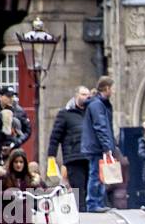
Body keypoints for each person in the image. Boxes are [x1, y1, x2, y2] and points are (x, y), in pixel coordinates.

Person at [46, 85, 91, 209]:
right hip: (73, 157)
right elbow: (55, 136)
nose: (86, 97)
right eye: (83, 94)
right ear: (76, 96)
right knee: (78, 188)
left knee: (89, 187)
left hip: (90, 155)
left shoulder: (91, 113)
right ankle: (81, 214)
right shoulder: (65, 114)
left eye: (88, 95)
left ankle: (87, 212)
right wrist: (51, 156)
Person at [80, 75, 117, 213]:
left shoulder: (99, 104)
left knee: (100, 173)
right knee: (95, 174)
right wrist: (107, 146)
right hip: (97, 146)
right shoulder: (97, 105)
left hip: (97, 145)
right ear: (106, 88)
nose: (113, 91)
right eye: (112, 88)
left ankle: (98, 202)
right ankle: (93, 203)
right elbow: (100, 126)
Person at [0, 86, 32, 172]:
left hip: (13, 150)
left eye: (12, 96)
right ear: (0, 97)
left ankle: (13, 186)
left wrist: (16, 143)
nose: (11, 99)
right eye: (8, 96)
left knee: (14, 174)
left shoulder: (19, 111)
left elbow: (28, 130)